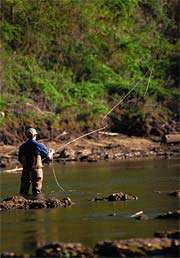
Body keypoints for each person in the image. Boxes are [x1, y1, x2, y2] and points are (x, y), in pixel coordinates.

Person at [18, 128, 55, 196]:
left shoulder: (22, 147)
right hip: (36, 171)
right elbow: (49, 158)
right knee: (36, 193)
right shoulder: (39, 145)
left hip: (25, 171)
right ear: (35, 135)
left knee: (23, 192)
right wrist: (52, 152)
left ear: (26, 136)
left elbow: (20, 159)